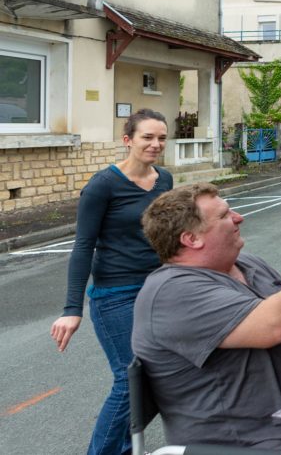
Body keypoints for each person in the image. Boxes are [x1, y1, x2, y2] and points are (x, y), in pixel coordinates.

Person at [133, 183, 281, 450]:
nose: (238, 218)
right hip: (254, 440)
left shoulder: (245, 263)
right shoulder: (171, 292)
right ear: (192, 239)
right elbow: (275, 326)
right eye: (224, 216)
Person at [50, 109, 173, 455]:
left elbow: (168, 236)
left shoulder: (164, 180)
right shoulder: (103, 185)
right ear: (128, 140)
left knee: (160, 375)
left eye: (161, 137)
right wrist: (72, 309)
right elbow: (83, 246)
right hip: (115, 294)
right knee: (129, 377)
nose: (155, 144)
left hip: (156, 289)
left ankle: (121, 447)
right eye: (147, 137)